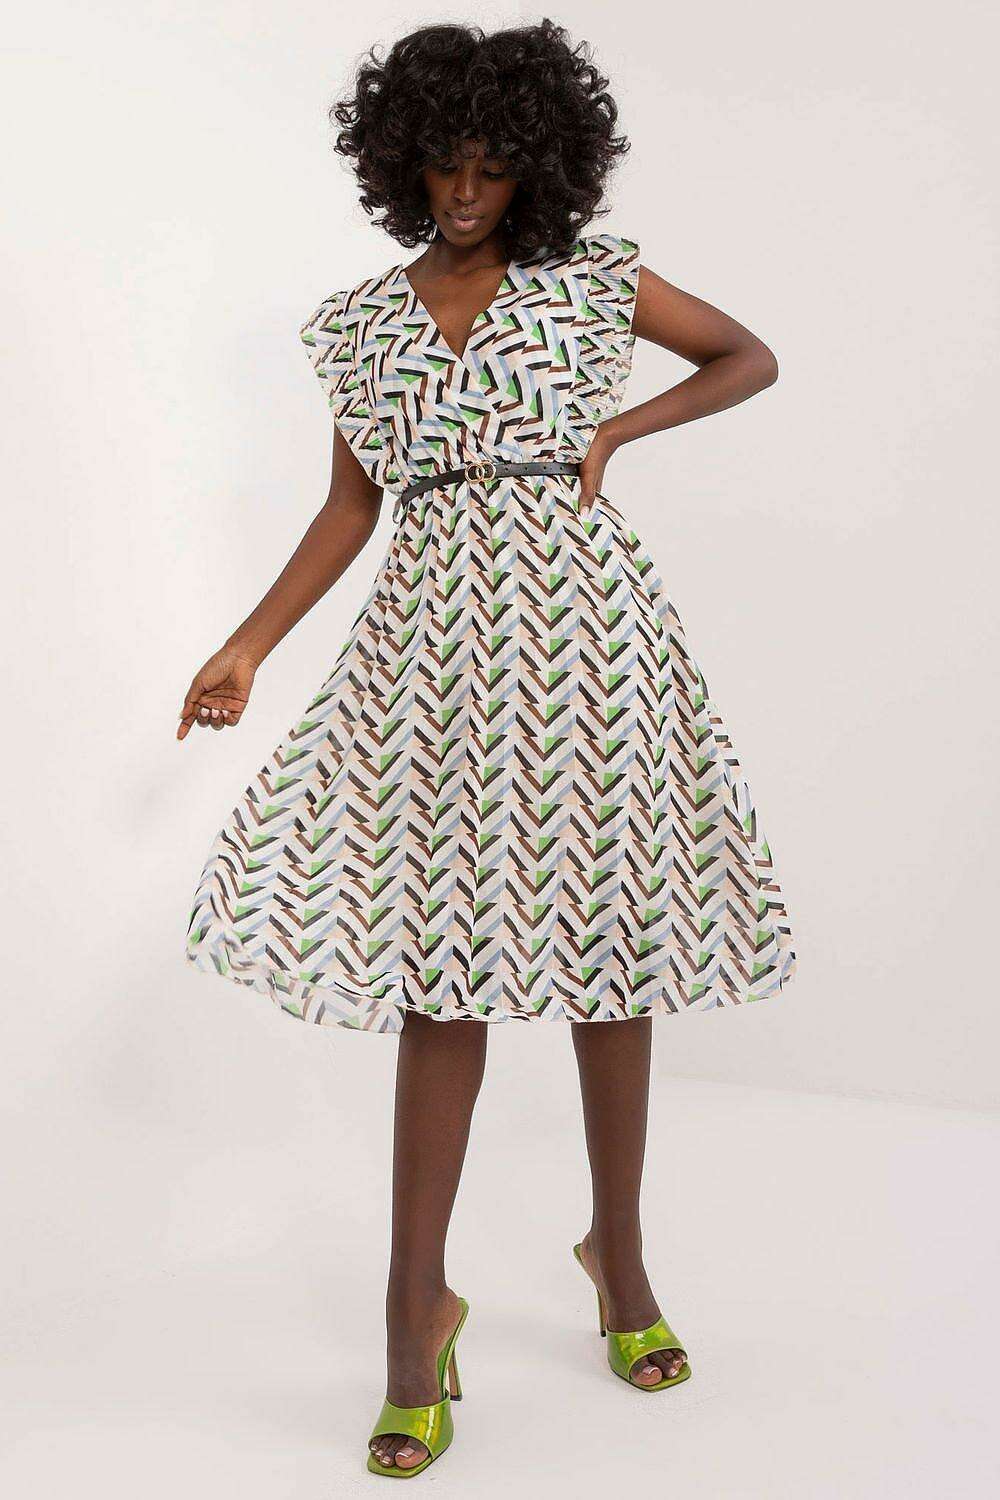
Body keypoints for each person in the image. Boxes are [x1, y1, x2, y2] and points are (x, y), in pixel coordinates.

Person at [179, 18, 796, 1479]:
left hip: (593, 655)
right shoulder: (360, 324)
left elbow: (748, 356)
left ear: (536, 166)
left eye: (493, 166)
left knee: (613, 955)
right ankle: (416, 1317)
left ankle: (620, 1263)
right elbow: (351, 508)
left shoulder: (592, 280)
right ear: (401, 163)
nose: (465, 191)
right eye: (443, 165)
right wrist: (248, 644)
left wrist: (616, 432)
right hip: (432, 668)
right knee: (440, 973)